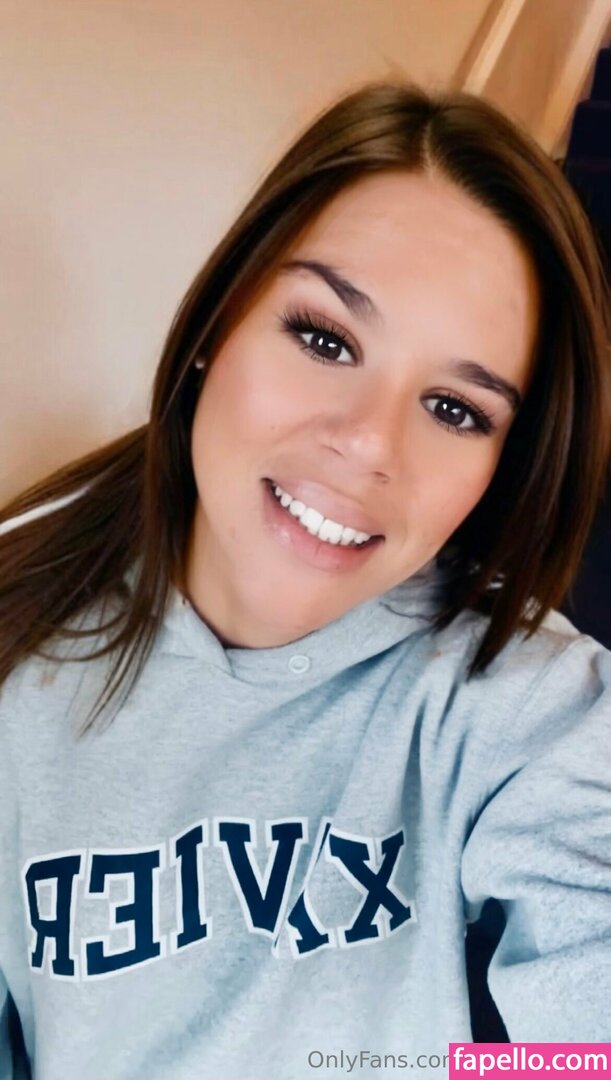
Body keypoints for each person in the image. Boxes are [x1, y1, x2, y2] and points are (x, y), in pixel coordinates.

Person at [0, 81, 609, 1080]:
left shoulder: (530, 707)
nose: (368, 443)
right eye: (325, 340)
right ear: (218, 321)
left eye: (454, 409)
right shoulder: (19, 654)